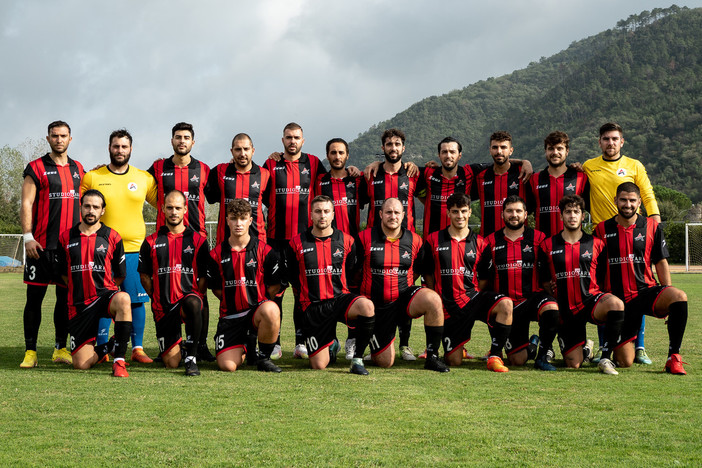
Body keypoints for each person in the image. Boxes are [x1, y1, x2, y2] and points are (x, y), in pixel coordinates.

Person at [583, 122, 660, 365]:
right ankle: (604, 345)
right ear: (599, 142)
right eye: (606, 139)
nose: (610, 143)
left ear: (622, 141)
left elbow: (646, 194)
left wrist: (655, 224)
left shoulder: (634, 165)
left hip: (634, 235)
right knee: (604, 288)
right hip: (603, 236)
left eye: (615, 139)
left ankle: (640, 347)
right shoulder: (589, 167)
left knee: (638, 286)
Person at [80, 129, 158, 364]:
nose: (120, 150)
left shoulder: (144, 178)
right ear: (109, 148)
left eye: (124, 147)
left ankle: (137, 348)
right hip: (103, 251)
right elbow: (81, 209)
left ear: (131, 149)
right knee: (105, 299)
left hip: (135, 249)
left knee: (136, 300)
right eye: (116, 146)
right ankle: (102, 347)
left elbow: (165, 204)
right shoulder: (93, 177)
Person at [594, 182, 689, 374]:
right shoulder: (602, 229)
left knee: (678, 296)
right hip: (618, 300)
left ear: (639, 203)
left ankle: (674, 357)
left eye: (632, 200)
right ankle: (599, 349)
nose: (627, 204)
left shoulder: (652, 227)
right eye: (623, 200)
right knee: (625, 361)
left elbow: (660, 261)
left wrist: (666, 289)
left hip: (645, 292)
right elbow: (595, 267)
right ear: (615, 201)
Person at [285, 196, 375, 375]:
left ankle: (357, 360)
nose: (322, 215)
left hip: (339, 300)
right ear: (311, 214)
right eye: (318, 211)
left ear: (333, 214)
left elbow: (351, 272)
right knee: (319, 365)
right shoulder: (295, 243)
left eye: (326, 211)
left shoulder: (347, 241)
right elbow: (294, 278)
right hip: (313, 307)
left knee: (366, 306)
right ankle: (331, 345)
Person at [423, 193, 513, 372]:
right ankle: (458, 349)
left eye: (463, 211)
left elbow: (486, 277)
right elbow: (428, 274)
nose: (460, 216)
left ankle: (495, 356)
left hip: (472, 300)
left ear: (470, 212)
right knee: (453, 362)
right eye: (455, 211)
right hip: (448, 306)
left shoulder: (480, 243)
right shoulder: (433, 240)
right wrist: (436, 299)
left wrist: (473, 294)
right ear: (448, 213)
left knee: (505, 304)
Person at [357, 198, 449, 372]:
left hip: (403, 300)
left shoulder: (415, 240)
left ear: (403, 215)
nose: (393, 216)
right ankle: (375, 345)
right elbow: (355, 273)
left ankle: (432, 357)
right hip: (377, 306)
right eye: (389, 212)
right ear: (381, 214)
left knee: (433, 300)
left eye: (397, 212)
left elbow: (421, 269)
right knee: (385, 362)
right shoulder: (364, 237)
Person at [19, 120, 84, 368]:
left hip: (68, 250)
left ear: (70, 138)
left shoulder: (78, 169)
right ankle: (30, 351)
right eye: (54, 136)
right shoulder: (36, 167)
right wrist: (28, 237)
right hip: (40, 247)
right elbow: (26, 203)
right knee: (34, 299)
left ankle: (60, 348)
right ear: (48, 138)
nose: (59, 139)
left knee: (64, 299)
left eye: (63, 135)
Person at [148, 122, 214, 362]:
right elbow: (133, 182)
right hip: (164, 240)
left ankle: (200, 344)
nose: (182, 141)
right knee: (163, 293)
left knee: (200, 293)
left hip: (196, 241)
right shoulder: (158, 167)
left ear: (193, 142)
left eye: (186, 137)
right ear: (172, 141)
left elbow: (219, 194)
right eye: (178, 137)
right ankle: (168, 343)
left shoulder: (205, 169)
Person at [538, 195, 625, 375]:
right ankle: (586, 350)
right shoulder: (547, 245)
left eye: (576, 212)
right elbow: (543, 279)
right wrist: (550, 288)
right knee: (573, 364)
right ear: (561, 216)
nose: (572, 216)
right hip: (565, 308)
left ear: (583, 216)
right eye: (568, 212)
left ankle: (605, 358)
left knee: (616, 304)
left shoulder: (597, 244)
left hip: (590, 301)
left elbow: (602, 276)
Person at [262, 122, 327, 360]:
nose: (292, 141)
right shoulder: (271, 163)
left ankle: (301, 341)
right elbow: (263, 195)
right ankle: (275, 342)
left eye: (296, 137)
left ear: (303, 140)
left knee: (303, 293)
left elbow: (331, 182)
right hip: (276, 242)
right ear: (282, 140)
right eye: (288, 137)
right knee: (275, 292)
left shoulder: (314, 163)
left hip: (304, 242)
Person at [55, 189, 133, 377]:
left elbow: (120, 275)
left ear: (102, 211)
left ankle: (119, 361)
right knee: (81, 364)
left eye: (96, 207)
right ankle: (111, 345)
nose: (91, 211)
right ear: (80, 208)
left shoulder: (112, 236)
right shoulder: (66, 238)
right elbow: (63, 275)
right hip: (79, 304)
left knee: (123, 298)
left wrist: (104, 288)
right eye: (87, 206)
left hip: (104, 296)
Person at [479, 196, 559, 371]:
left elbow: (546, 270)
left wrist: (552, 289)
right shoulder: (490, 241)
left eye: (518, 211)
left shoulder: (539, 238)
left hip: (531, 300)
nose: (513, 215)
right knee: (517, 360)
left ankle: (543, 355)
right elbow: (484, 276)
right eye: (509, 211)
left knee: (552, 307)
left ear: (525, 215)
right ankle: (531, 345)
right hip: (506, 307)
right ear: (502, 214)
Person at [363, 128, 421, 360]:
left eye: (397, 144)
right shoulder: (370, 175)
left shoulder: (414, 174)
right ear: (383, 148)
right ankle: (370, 343)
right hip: (374, 240)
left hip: (407, 242)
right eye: (389, 144)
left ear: (403, 148)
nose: (393, 148)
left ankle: (405, 344)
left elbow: (439, 176)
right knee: (371, 292)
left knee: (403, 290)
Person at [138, 190, 210, 376]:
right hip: (164, 307)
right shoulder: (150, 242)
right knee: (171, 362)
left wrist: (197, 296)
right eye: (169, 207)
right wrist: (156, 297)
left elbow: (203, 278)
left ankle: (192, 358)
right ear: (162, 209)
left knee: (194, 302)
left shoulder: (198, 241)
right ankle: (181, 348)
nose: (174, 212)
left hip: (187, 301)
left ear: (185, 209)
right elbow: (144, 276)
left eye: (178, 208)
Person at [208, 199, 282, 373]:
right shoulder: (216, 254)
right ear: (227, 220)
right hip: (230, 317)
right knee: (227, 366)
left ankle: (263, 358)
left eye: (243, 218)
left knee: (271, 309)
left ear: (250, 220)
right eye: (234, 218)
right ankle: (247, 346)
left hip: (256, 312)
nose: (238, 223)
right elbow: (218, 290)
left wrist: (258, 303)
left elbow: (273, 288)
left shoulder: (266, 251)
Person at [315, 138, 367, 360]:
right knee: (326, 293)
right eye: (333, 153)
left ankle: (352, 341)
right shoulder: (318, 181)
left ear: (347, 156)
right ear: (327, 156)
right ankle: (330, 340)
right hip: (324, 247)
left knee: (352, 292)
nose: (337, 156)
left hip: (352, 246)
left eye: (341, 153)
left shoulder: (358, 181)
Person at [206, 132, 270, 244]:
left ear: (253, 151)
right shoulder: (219, 171)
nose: (242, 153)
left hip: (257, 242)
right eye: (238, 149)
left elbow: (271, 203)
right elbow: (209, 197)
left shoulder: (265, 174)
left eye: (246, 149)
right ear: (232, 151)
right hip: (225, 242)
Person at [527, 131, 590, 237]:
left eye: (559, 148)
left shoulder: (581, 178)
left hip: (573, 245)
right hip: (543, 244)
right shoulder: (534, 179)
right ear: (545, 151)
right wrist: (524, 162)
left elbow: (591, 209)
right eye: (551, 148)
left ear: (567, 151)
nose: (555, 152)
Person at [473, 131, 529, 237]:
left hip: (519, 241)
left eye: (503, 147)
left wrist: (524, 162)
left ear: (511, 150)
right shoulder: (480, 176)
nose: (499, 151)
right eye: (495, 147)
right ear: (490, 150)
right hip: (487, 241)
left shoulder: (523, 174)